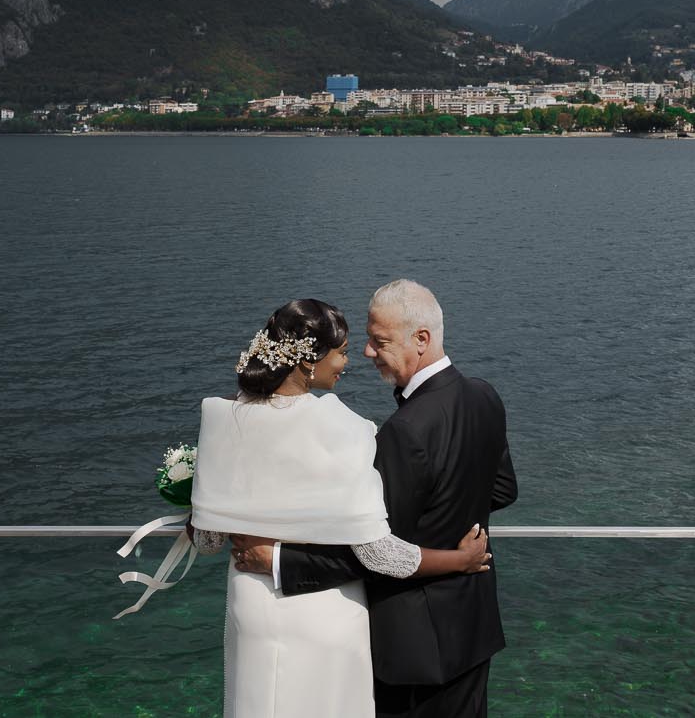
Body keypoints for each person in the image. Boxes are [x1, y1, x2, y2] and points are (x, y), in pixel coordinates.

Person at [188, 298, 493, 718]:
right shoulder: (344, 427)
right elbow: (380, 554)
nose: (351, 361)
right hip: (322, 609)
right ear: (310, 361)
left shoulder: (224, 416)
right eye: (344, 351)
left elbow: (206, 540)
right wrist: (458, 559)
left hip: (251, 602)